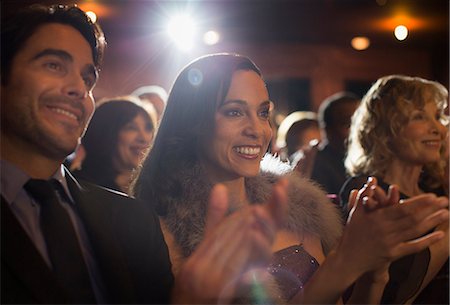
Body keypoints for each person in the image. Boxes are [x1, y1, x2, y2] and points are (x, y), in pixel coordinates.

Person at [1, 5, 289, 304]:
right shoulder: (157, 222)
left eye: (88, 79)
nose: (77, 88)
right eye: (54, 66)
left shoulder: (130, 219)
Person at [133, 53, 449, 304]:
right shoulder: (163, 227)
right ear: (192, 123)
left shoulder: (299, 208)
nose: (257, 130)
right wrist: (346, 263)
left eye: (262, 112)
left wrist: (372, 273)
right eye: (234, 112)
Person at [341, 75, 449, 304]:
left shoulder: (437, 191)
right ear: (385, 129)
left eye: (438, 117)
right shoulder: (367, 191)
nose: (438, 128)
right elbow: (397, 293)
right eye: (420, 117)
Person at [74, 96, 156, 192]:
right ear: (106, 134)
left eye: (148, 128)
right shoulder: (79, 186)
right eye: (131, 128)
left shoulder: (153, 191)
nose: (144, 138)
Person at [310, 92, 360, 196]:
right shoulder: (318, 165)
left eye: (361, 123)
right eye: (348, 124)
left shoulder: (365, 161)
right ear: (327, 130)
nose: (357, 131)